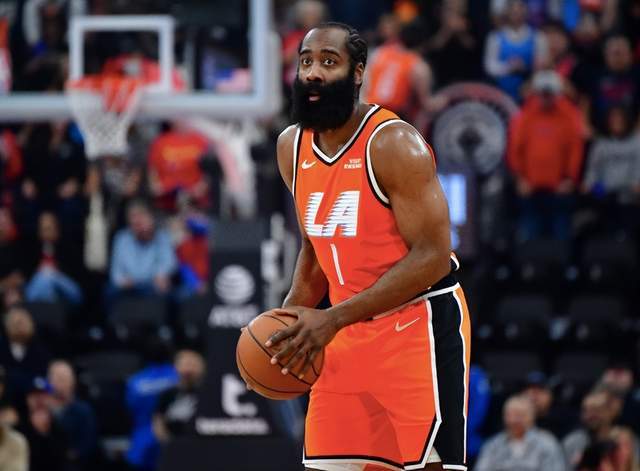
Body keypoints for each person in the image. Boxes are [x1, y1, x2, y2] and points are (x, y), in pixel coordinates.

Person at [263, 22, 471, 471]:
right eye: (306, 61)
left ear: (358, 73)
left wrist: (333, 317)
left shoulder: (394, 144)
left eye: (329, 62)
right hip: (344, 333)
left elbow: (434, 256)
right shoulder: (291, 147)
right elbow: (315, 248)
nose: (313, 72)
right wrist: (287, 324)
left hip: (415, 326)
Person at [508, 70, 584, 241]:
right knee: (530, 232)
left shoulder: (569, 115)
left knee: (561, 233)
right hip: (530, 188)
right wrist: (520, 178)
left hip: (559, 189)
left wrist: (570, 179)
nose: (546, 98)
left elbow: (575, 150)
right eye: (542, 93)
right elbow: (515, 149)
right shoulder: (525, 115)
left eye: (550, 94)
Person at [364, 19, 446, 126]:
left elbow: (364, 85)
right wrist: (445, 101)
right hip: (392, 118)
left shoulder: (378, 53)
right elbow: (427, 104)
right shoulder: (418, 65)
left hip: (368, 113)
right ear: (423, 44)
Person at [582, 106, 640, 234]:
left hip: (628, 189)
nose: (616, 122)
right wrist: (588, 183)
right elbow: (593, 168)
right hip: (604, 189)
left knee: (630, 199)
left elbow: (638, 167)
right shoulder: (601, 143)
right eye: (613, 119)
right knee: (594, 195)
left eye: (619, 119)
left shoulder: (637, 142)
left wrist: (636, 183)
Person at [125, 338, 178, 471]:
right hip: (170, 443)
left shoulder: (134, 382)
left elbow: (129, 410)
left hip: (140, 444)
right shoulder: (178, 377)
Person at [475, 395, 567, 471]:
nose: (513, 420)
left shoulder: (547, 444)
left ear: (531, 417)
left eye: (519, 415)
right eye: (509, 415)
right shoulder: (493, 445)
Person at [108, 199, 177, 300]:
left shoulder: (162, 237)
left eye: (141, 218)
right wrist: (123, 281)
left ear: (150, 218)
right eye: (134, 220)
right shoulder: (121, 238)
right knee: (110, 291)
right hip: (128, 289)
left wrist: (160, 274)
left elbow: (170, 263)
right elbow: (116, 274)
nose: (137, 223)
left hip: (152, 287)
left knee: (169, 291)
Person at [484, 0, 548, 102]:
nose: (516, 12)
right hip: (501, 95)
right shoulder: (495, 37)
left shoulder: (538, 37)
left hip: (529, 94)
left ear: (527, 11)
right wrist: (510, 67)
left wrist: (526, 69)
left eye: (520, 7)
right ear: (506, 11)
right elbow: (489, 66)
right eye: (512, 8)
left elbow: (542, 66)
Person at [23, 211, 83, 305]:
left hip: (68, 289)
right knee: (44, 277)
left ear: (57, 229)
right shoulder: (32, 250)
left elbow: (76, 274)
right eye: (43, 229)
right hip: (40, 289)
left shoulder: (68, 247)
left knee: (47, 273)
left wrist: (54, 270)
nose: (46, 233)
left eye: (49, 229)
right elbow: (28, 277)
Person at [47, 360, 97, 470]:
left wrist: (69, 455)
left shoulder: (83, 411)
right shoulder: (41, 409)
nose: (61, 384)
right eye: (57, 379)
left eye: (64, 379)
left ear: (73, 382)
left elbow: (87, 445)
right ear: (49, 381)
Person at [153, 350, 205, 443]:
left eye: (193, 365)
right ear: (176, 367)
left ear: (202, 368)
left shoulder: (208, 393)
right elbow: (158, 422)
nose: (189, 370)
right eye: (185, 364)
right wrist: (169, 443)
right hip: (173, 443)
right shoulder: (168, 394)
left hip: (201, 443)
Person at [0, 305, 51, 397]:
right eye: (16, 324)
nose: (19, 328)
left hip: (34, 394)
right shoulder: (2, 348)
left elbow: (44, 381)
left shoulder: (39, 349)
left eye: (23, 323)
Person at [564, 390, 618, 469]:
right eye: (585, 411)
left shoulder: (622, 439)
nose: (589, 416)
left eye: (596, 410)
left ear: (610, 412)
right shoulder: (574, 441)